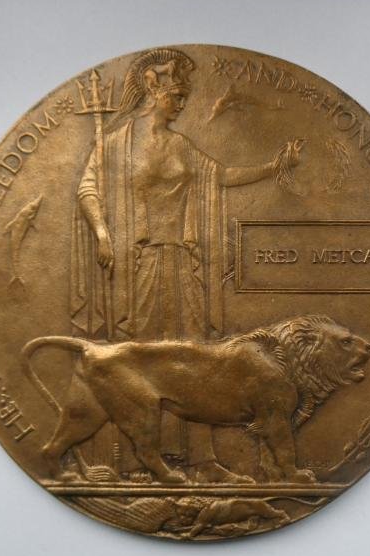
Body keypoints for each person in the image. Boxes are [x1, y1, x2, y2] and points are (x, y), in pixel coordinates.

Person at [71, 48, 299, 482]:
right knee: (139, 361)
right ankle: (136, 459)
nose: (184, 101)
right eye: (178, 93)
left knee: (195, 360)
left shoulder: (180, 145)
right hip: (137, 265)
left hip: (182, 264)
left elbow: (221, 175)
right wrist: (102, 233)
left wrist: (274, 166)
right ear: (154, 91)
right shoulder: (114, 144)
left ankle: (201, 458)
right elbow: (88, 189)